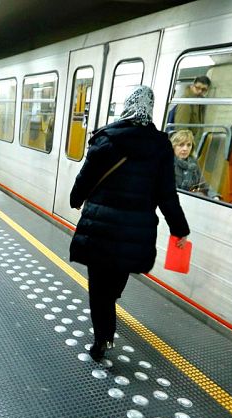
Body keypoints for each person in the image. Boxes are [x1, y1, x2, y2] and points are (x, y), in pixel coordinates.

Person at [69, 86, 190, 361]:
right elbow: (166, 194)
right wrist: (179, 229)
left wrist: (76, 200)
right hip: (135, 231)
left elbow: (85, 178)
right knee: (113, 284)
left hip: (101, 227)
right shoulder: (161, 146)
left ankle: (102, 338)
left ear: (127, 106)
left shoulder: (106, 138)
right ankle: (108, 319)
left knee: (98, 288)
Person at [170, 130, 221, 200]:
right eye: (181, 145)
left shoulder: (193, 162)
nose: (185, 149)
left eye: (188, 145)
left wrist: (214, 196)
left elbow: (203, 184)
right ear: (173, 146)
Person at [169, 76, 211, 141]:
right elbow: (181, 127)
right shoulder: (186, 101)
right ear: (192, 86)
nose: (200, 91)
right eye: (197, 88)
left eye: (203, 90)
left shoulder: (200, 102)